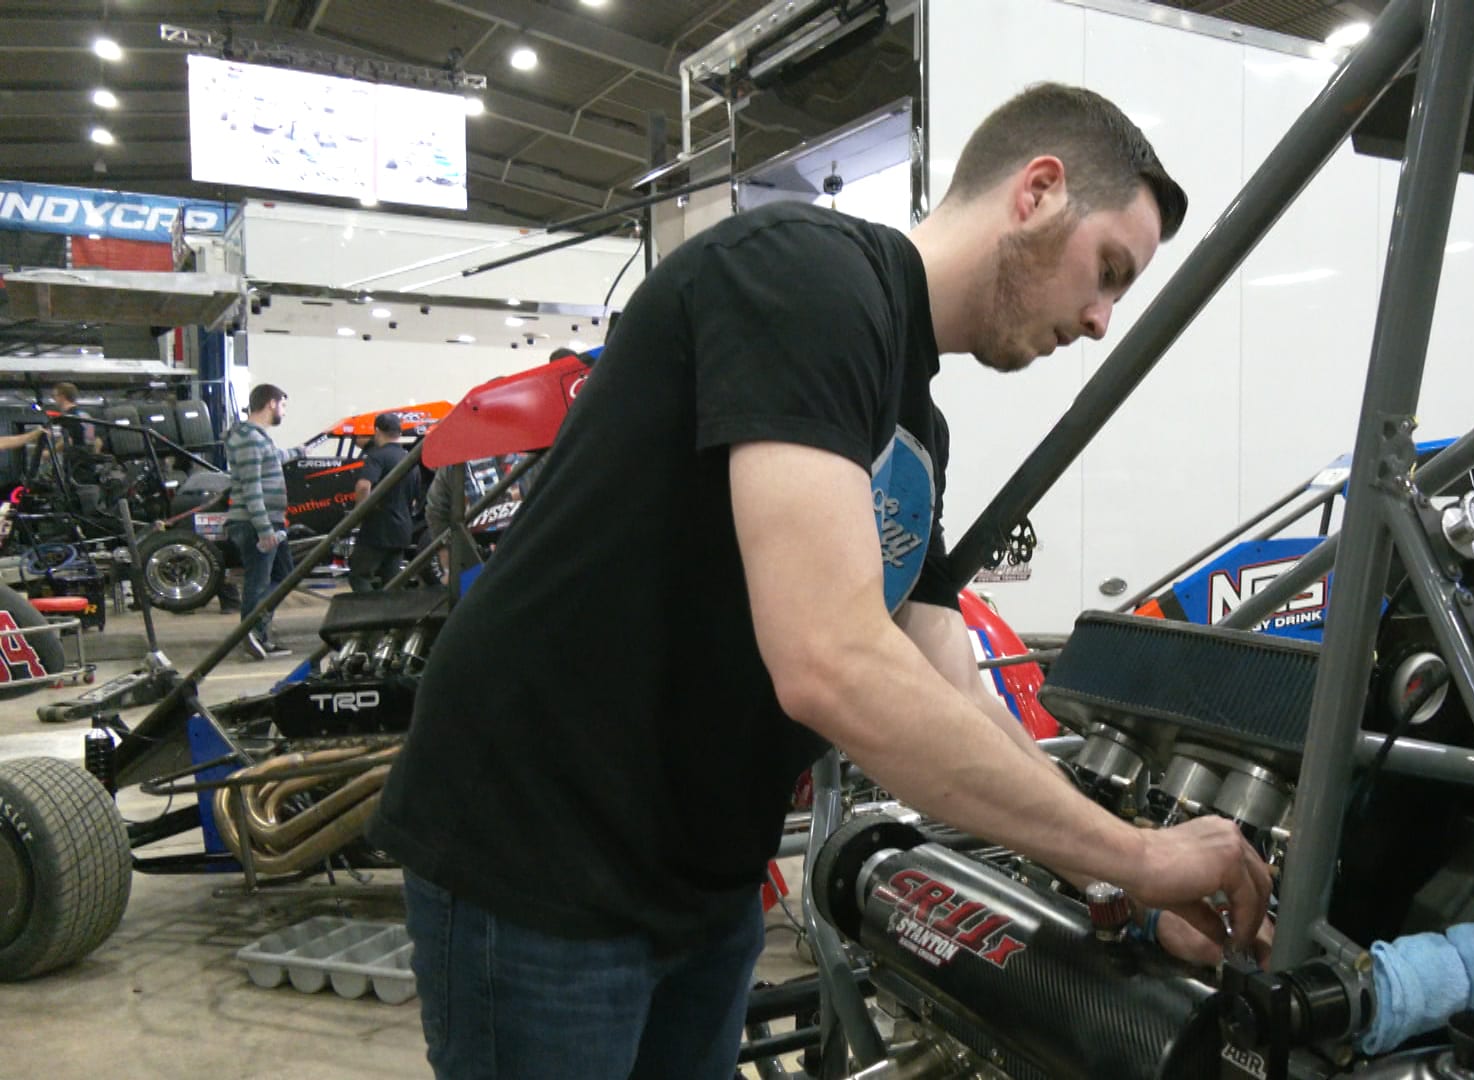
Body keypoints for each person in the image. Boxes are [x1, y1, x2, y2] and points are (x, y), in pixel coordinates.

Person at [372, 83, 1269, 1080]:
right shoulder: (806, 277)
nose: (1101, 320)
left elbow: (951, 692)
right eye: (1107, 272)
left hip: (702, 877)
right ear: (1039, 191)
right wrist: (1137, 857)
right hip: (541, 853)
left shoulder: (914, 425)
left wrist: (1119, 874)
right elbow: (830, 662)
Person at [224, 384, 300, 659]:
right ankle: (253, 635)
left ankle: (257, 633)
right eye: (283, 405)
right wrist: (265, 529)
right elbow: (252, 488)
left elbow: (273, 458)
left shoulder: (256, 438)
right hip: (257, 523)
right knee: (258, 582)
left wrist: (299, 452)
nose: (284, 412)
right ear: (271, 403)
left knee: (283, 576)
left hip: (268, 521)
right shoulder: (250, 439)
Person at [347, 412, 419, 593]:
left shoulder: (377, 456)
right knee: (391, 581)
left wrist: (358, 514)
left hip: (378, 528)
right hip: (402, 530)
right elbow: (415, 498)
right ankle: (392, 611)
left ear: (377, 431)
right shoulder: (410, 459)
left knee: (359, 576)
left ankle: (368, 610)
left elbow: (363, 486)